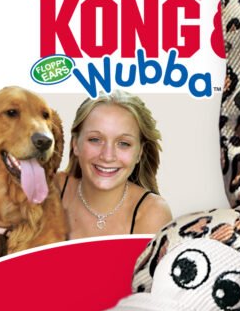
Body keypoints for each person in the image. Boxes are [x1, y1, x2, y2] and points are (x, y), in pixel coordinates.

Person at [57, 90, 172, 239]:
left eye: (123, 143)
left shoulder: (153, 213)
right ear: (75, 144)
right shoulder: (51, 190)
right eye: (95, 139)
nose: (107, 156)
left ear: (140, 152)